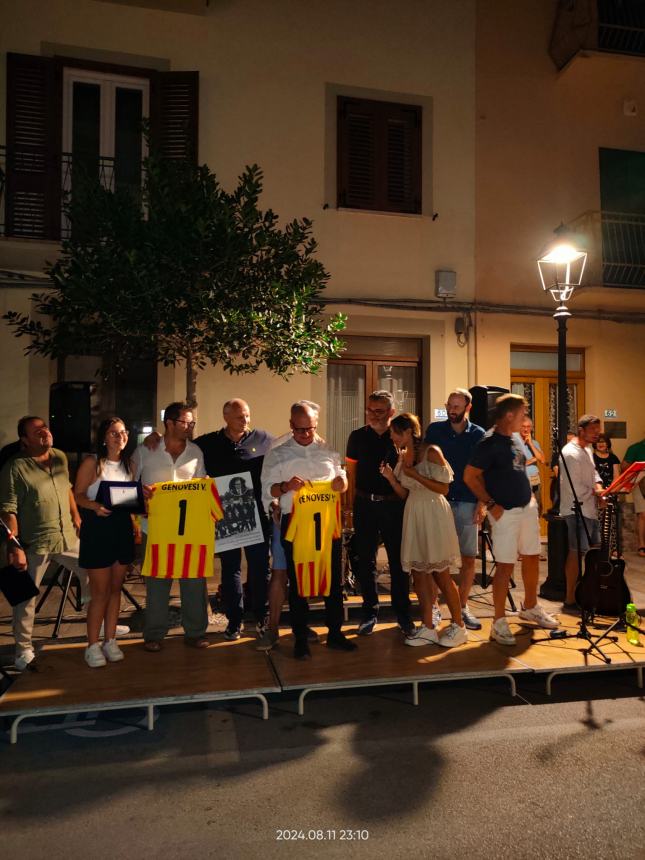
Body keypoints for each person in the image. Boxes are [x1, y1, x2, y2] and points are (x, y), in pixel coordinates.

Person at [146, 399, 273, 640]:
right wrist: (153, 437)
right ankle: (234, 621)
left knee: (259, 568)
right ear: (225, 418)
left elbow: (284, 449)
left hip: (256, 514)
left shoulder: (264, 438)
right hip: (225, 517)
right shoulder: (208, 443)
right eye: (238, 417)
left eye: (247, 415)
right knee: (230, 569)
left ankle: (261, 617)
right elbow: (178, 442)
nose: (245, 420)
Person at [261, 401, 356, 659]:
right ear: (291, 425)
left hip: (327, 523)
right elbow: (267, 490)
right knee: (298, 580)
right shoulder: (278, 454)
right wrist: (285, 486)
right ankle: (300, 637)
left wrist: (342, 483)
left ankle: (335, 632)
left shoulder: (327, 449)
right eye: (300, 429)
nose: (305, 434)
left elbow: (342, 479)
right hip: (295, 523)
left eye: (310, 429)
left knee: (334, 579)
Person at [464, 394, 558, 644]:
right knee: (505, 565)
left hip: (526, 507)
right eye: (522, 413)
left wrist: (531, 499)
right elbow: (470, 477)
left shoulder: (516, 438)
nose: (525, 418)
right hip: (504, 512)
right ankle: (498, 621)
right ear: (508, 416)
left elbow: (518, 470)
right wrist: (491, 504)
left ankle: (530, 606)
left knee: (531, 555)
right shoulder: (488, 443)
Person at [0, 416, 81, 670]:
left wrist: (77, 516)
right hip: (33, 541)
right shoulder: (14, 467)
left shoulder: (59, 456)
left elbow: (66, 487)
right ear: (24, 440)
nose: (44, 431)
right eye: (37, 431)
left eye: (45, 427)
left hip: (66, 536)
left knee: (95, 573)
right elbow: (7, 509)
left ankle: (100, 623)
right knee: (24, 598)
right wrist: (14, 546)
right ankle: (23, 650)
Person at [382, 414, 467, 648]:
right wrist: (392, 479)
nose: (391, 436)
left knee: (441, 573)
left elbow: (444, 487)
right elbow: (405, 494)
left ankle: (459, 626)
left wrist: (414, 474)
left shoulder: (432, 452)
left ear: (408, 432)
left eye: (394, 432)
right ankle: (428, 627)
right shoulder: (402, 456)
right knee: (419, 573)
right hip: (414, 511)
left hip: (434, 512)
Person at [132, 401, 210, 651]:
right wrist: (139, 494)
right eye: (185, 422)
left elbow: (201, 485)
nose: (189, 427)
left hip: (190, 529)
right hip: (154, 529)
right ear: (169, 423)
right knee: (157, 583)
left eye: (191, 423)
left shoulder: (196, 452)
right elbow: (127, 484)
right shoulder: (146, 451)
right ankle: (154, 635)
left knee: (194, 581)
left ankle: (195, 633)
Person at [345, 390, 414, 637]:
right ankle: (369, 612)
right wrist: (349, 507)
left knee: (398, 562)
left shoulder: (400, 438)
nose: (373, 415)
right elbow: (350, 473)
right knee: (366, 561)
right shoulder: (357, 437)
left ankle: (403, 614)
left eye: (379, 411)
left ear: (391, 412)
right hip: (365, 504)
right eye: (370, 410)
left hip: (394, 505)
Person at [74, 417, 136, 668]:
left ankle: (110, 639)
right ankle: (92, 644)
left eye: (122, 432)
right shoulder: (93, 462)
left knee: (115, 588)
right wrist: (94, 506)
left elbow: (129, 499)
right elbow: (77, 494)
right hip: (98, 529)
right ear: (103, 437)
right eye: (113, 433)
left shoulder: (130, 464)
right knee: (99, 592)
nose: (118, 437)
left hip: (121, 529)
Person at [424, 389, 485, 630]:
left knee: (468, 558)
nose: (452, 410)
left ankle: (462, 606)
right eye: (450, 405)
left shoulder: (479, 434)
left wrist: (482, 503)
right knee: (437, 559)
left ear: (468, 408)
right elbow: (425, 462)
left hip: (469, 501)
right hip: (440, 501)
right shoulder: (435, 430)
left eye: (457, 406)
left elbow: (483, 471)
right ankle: (435, 607)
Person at [559, 415, 604, 607]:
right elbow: (574, 487)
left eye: (598, 431)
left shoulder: (587, 450)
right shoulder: (570, 453)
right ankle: (570, 596)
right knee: (576, 552)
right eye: (593, 431)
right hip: (575, 509)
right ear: (581, 430)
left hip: (590, 508)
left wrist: (600, 486)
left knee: (594, 552)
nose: (597, 435)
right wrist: (597, 493)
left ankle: (590, 591)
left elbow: (593, 473)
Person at [621, 433, 645, 558]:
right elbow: (624, 466)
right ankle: (642, 545)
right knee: (643, 515)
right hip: (640, 483)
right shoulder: (635, 448)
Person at [519, 416, 545, 513]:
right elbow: (517, 464)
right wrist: (534, 459)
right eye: (523, 426)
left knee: (537, 511)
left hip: (535, 483)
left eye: (528, 427)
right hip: (522, 484)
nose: (526, 429)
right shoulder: (514, 443)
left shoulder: (534, 443)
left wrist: (530, 444)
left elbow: (542, 459)